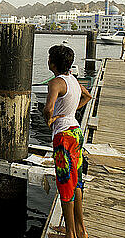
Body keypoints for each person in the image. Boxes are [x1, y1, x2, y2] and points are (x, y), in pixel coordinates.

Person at [43, 45, 92, 238]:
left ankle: (70, 233)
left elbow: (48, 108)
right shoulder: (73, 80)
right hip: (76, 132)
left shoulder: (56, 83)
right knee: (77, 182)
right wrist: (70, 113)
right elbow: (87, 96)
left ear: (52, 63)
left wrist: (51, 118)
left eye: (49, 58)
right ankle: (81, 230)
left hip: (63, 137)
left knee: (65, 184)